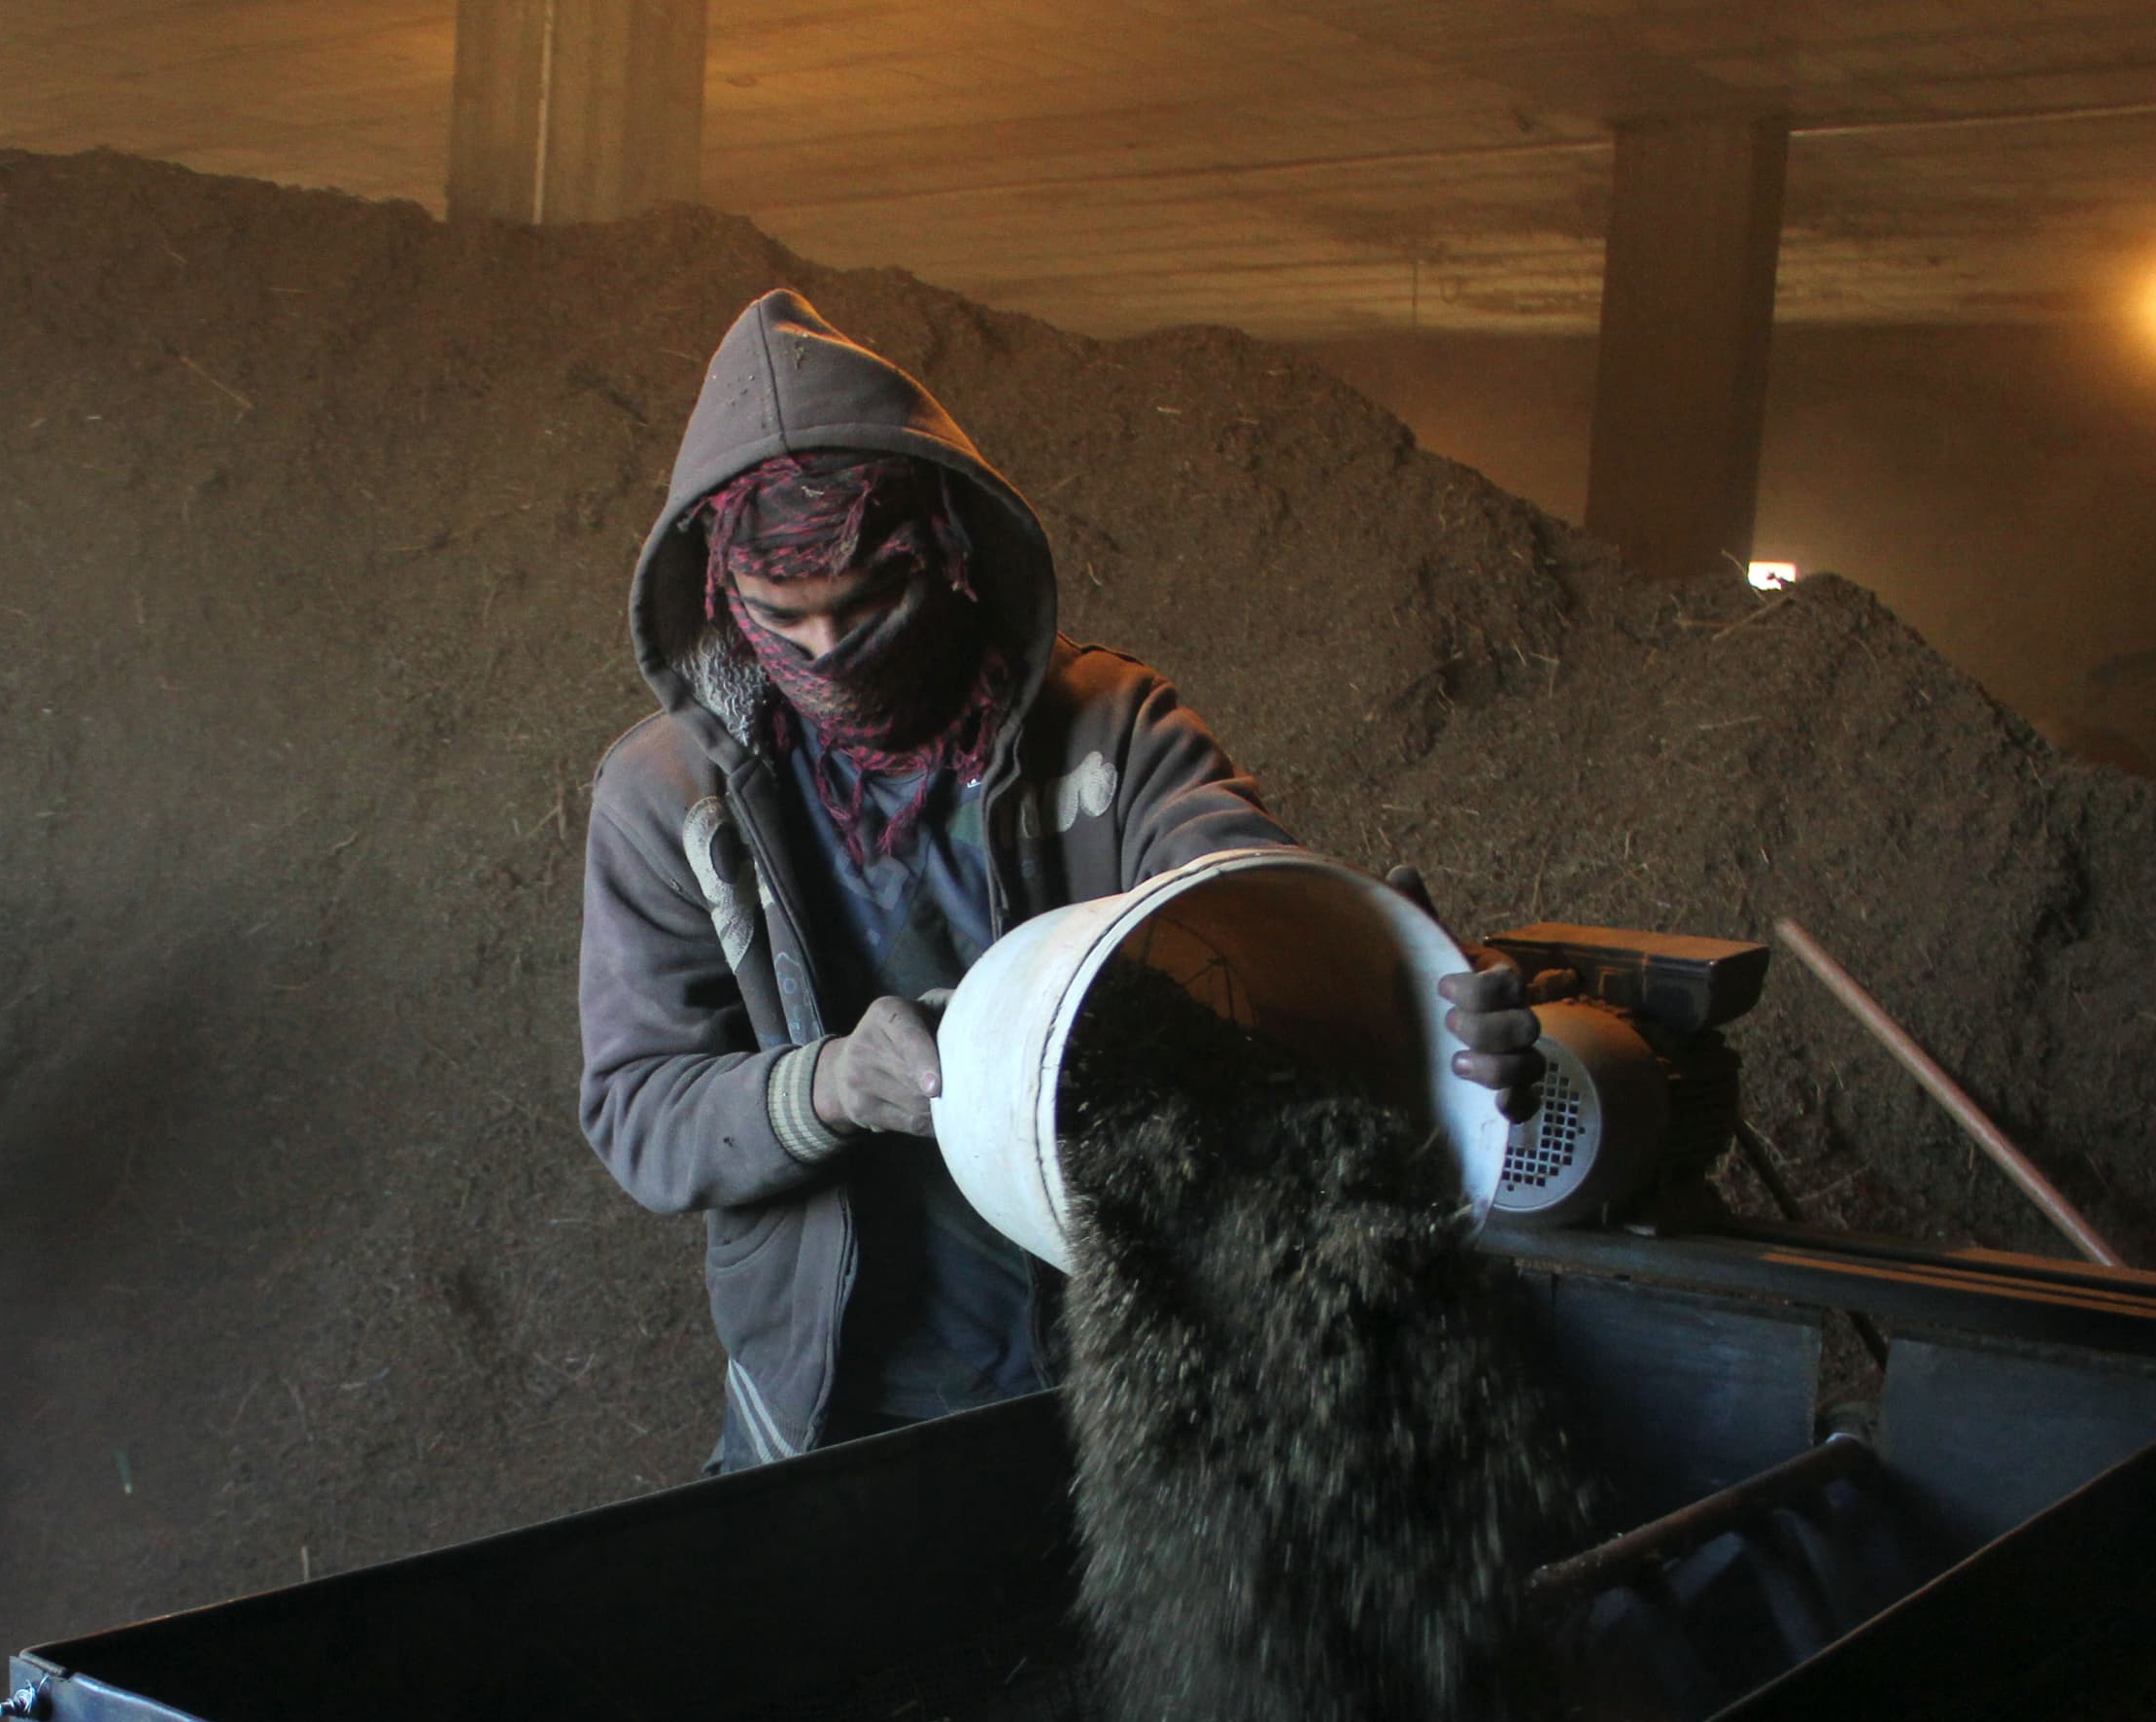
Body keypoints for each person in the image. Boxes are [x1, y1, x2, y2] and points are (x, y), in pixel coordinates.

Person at [577, 290, 1541, 1468]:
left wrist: (1393, 976)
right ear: (725, 599)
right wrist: (832, 1086)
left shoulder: (1112, 733)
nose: (828, 658)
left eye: (869, 604)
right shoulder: (670, 801)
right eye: (787, 620)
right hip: (830, 1401)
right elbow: (639, 1112)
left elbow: (1233, 901)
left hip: (1108, 1375)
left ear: (947, 555)